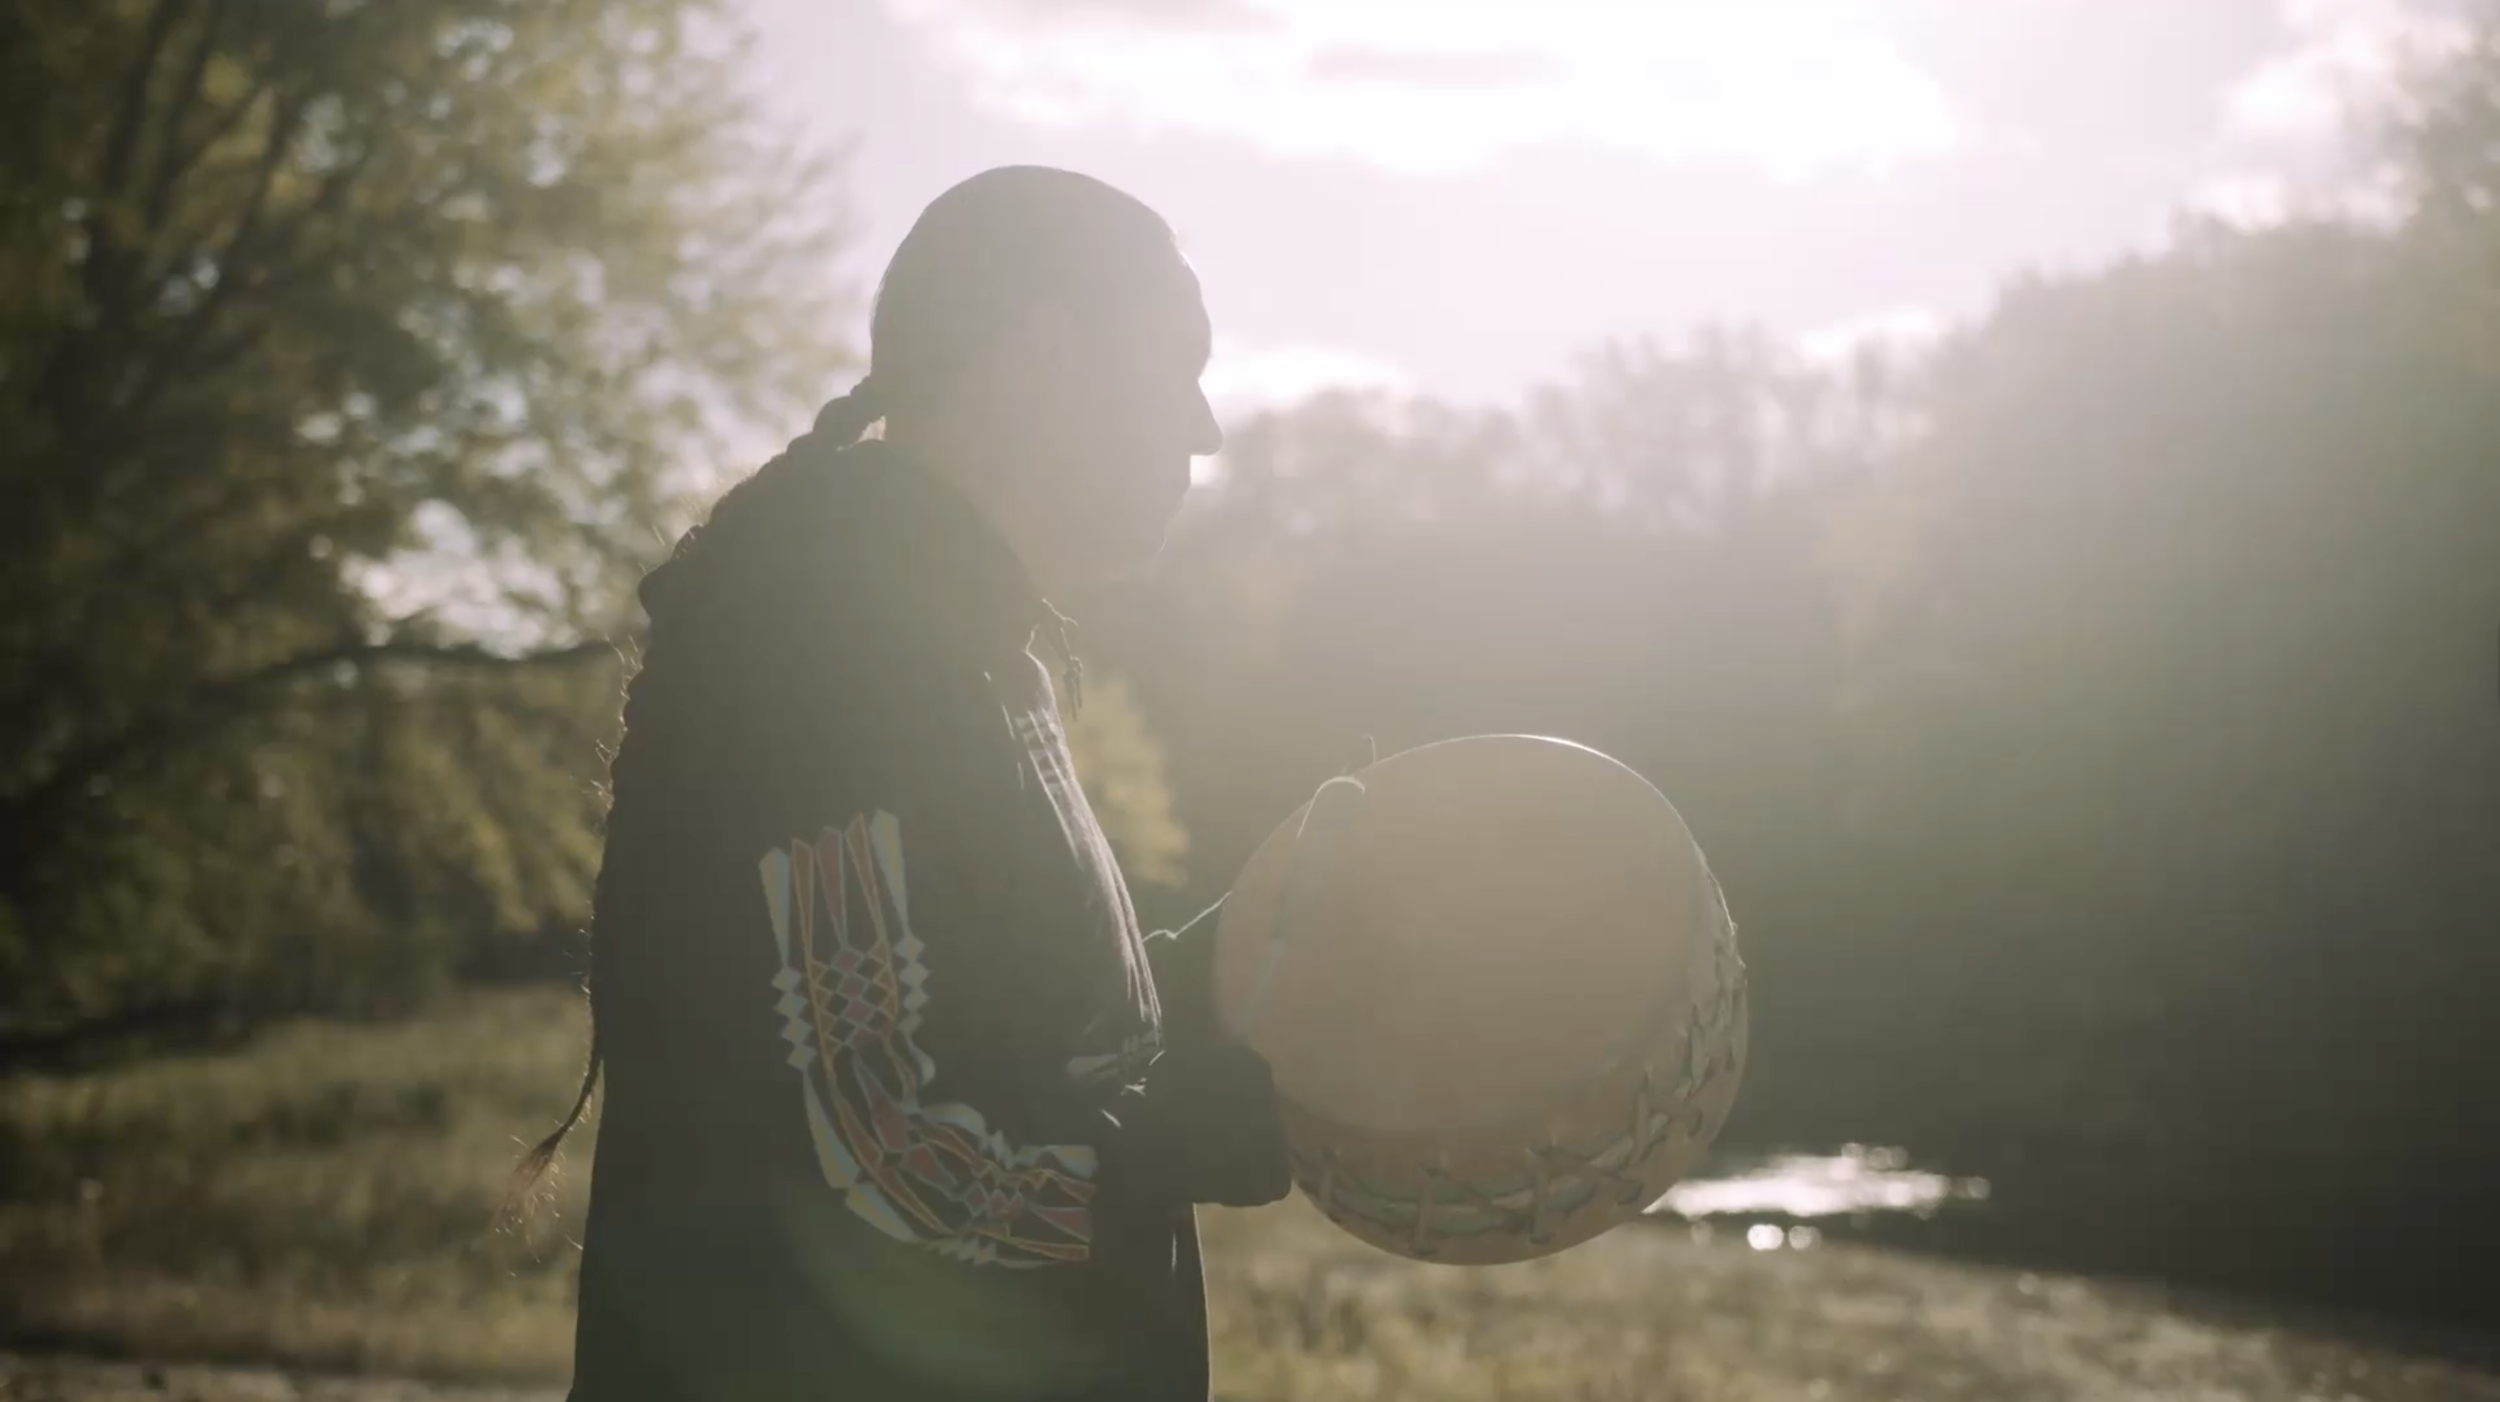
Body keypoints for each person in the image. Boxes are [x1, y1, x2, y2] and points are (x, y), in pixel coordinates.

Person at [527, 166, 1294, 1402]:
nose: (1202, 426)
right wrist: (1194, 1131)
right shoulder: (829, 637)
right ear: (1045, 352)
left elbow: (1010, 1024)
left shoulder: (961, 634)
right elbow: (887, 1161)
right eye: (1177, 363)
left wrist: (1278, 938)